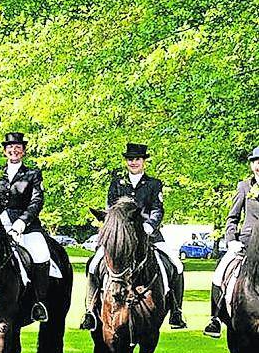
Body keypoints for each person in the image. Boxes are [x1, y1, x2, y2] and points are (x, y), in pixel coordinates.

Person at [81, 142, 186, 331]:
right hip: (121, 237)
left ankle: (176, 311)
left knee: (176, 265)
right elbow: (110, 210)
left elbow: (157, 209)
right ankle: (90, 310)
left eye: (137, 159)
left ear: (143, 161)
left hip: (148, 233)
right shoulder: (117, 183)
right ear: (126, 162)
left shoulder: (154, 184)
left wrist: (149, 226)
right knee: (94, 263)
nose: (133, 162)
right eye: (130, 159)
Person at [0, 132, 50, 322]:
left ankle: (38, 303)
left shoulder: (32, 174)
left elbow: (36, 201)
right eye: (10, 147)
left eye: (18, 147)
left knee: (41, 254)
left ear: (23, 151)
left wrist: (22, 222)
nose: (14, 150)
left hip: (26, 225)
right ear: (5, 151)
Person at [204, 146, 259, 337]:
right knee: (220, 273)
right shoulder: (244, 187)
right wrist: (231, 240)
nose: (258, 165)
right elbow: (232, 218)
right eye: (255, 161)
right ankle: (215, 318)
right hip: (246, 243)